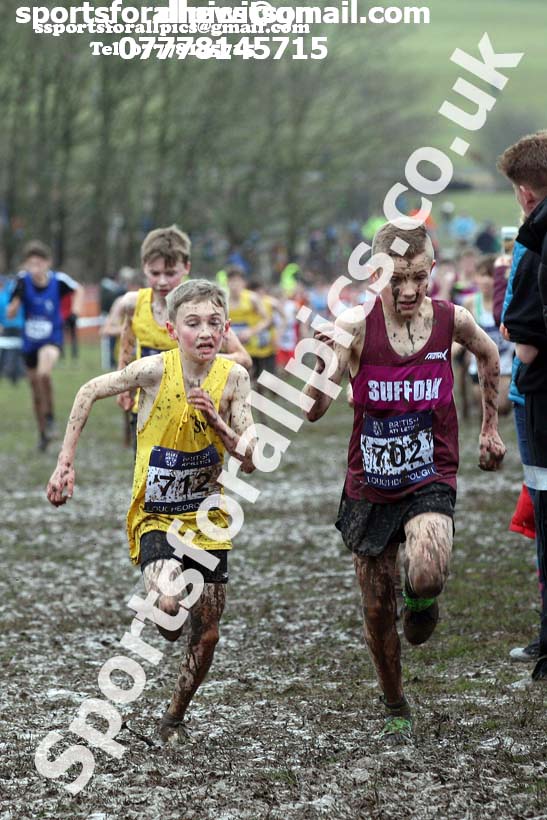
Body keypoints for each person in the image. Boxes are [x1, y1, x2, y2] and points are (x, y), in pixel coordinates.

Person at [303, 220, 505, 741]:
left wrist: (488, 428)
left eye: (419, 276)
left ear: (432, 270)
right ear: (376, 276)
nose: (410, 290)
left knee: (429, 567)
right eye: (397, 279)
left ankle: (422, 597)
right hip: (369, 484)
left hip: (429, 473)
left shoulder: (450, 319)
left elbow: (487, 354)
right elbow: (315, 411)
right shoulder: (354, 324)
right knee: (376, 611)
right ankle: (394, 701)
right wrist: (321, 362)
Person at [46, 279, 256, 743]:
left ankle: (175, 716)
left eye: (214, 323)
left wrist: (218, 421)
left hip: (207, 520)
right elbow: (87, 390)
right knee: (167, 603)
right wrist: (65, 463)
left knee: (208, 636)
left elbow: (253, 456)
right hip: (155, 515)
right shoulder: (153, 371)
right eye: (193, 323)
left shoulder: (235, 378)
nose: (205, 332)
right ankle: (163, 607)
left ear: (225, 330)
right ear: (171, 328)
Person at [115, 227, 251, 449]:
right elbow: (127, 341)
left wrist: (201, 360)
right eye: (154, 273)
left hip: (191, 413)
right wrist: (123, 382)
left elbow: (244, 358)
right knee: (145, 479)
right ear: (144, 268)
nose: (161, 282)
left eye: (170, 273)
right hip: (146, 410)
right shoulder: (133, 303)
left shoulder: (199, 309)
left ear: (186, 268)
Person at [498, 131, 547, 679]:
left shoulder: (536, 238)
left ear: (526, 193)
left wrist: (516, 340)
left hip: (536, 393)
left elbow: (526, 333)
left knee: (543, 507)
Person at [7, 240, 84, 450]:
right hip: (29, 342)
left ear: (47, 263)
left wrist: (74, 313)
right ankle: (43, 432)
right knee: (34, 390)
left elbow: (79, 290)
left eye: (39, 263)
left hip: (52, 338)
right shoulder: (22, 282)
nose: (35, 268)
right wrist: (17, 299)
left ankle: (50, 417)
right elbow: (10, 313)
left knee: (44, 374)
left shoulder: (58, 281)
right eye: (31, 264)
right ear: (26, 265)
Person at [463, 255, 513, 416]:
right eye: (482, 275)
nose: (485, 280)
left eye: (490, 276)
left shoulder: (507, 301)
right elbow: (463, 331)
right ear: (476, 277)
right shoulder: (470, 302)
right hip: (478, 364)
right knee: (485, 411)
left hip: (504, 363)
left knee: (502, 407)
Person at [226, 265, 274, 382]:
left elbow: (268, 319)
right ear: (227, 282)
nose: (234, 285)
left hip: (253, 343)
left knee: (255, 376)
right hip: (233, 343)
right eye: (232, 281)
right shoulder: (224, 299)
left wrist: (251, 331)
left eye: (237, 281)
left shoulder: (252, 298)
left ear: (243, 282)